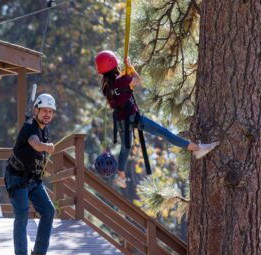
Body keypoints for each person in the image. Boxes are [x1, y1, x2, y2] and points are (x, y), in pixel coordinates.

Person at [94, 50, 219, 188]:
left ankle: (121, 175)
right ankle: (196, 148)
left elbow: (121, 89)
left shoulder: (106, 87)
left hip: (121, 121)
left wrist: (126, 73)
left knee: (126, 147)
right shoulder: (122, 80)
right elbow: (139, 80)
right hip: (133, 118)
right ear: (114, 65)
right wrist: (131, 67)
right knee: (163, 133)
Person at [4, 93, 56, 255]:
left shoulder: (44, 129)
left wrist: (45, 146)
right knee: (22, 214)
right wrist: (46, 147)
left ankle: (38, 253)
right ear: (36, 110)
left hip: (33, 180)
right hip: (17, 179)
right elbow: (35, 143)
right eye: (44, 111)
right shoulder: (29, 127)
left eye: (50, 111)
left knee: (48, 211)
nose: (47, 114)